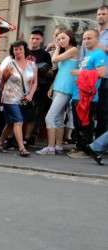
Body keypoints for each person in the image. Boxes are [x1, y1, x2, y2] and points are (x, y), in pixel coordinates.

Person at [36, 30, 78, 155]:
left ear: (70, 38)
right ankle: (58, 146)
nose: (60, 41)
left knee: (50, 117)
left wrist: (58, 47)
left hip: (65, 88)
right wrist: (52, 87)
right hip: (58, 87)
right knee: (59, 118)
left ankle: (50, 147)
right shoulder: (66, 52)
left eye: (63, 38)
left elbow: (54, 59)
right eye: (58, 39)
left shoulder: (74, 50)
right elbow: (59, 71)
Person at [0, 40, 37, 157]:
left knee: (10, 123)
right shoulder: (10, 65)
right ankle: (22, 148)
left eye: (20, 49)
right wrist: (0, 95)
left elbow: (34, 83)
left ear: (24, 50)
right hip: (10, 97)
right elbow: (2, 82)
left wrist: (30, 95)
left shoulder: (32, 65)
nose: (17, 51)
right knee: (18, 120)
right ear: (12, 51)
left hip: (24, 98)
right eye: (15, 49)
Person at [68, 29, 106, 158]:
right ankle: (80, 147)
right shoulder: (86, 55)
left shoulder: (100, 54)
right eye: (84, 38)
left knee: (86, 123)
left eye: (89, 38)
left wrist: (78, 73)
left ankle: (86, 149)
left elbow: (101, 73)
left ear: (97, 39)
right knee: (78, 123)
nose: (86, 41)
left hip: (88, 96)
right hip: (77, 94)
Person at [24, 29, 53, 145]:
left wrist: (42, 69)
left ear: (41, 40)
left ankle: (28, 137)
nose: (34, 41)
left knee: (35, 114)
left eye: (37, 39)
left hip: (40, 88)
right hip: (24, 86)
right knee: (22, 112)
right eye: (32, 38)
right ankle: (15, 137)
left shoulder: (45, 54)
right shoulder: (24, 51)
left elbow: (50, 72)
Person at [94, 5, 108, 138]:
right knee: (90, 109)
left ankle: (99, 145)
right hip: (90, 77)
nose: (100, 16)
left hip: (105, 77)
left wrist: (103, 47)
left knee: (103, 111)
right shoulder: (92, 33)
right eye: (99, 14)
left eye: (103, 14)